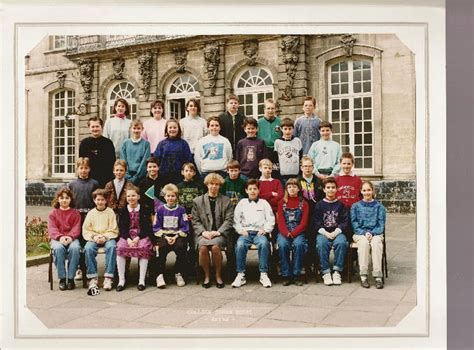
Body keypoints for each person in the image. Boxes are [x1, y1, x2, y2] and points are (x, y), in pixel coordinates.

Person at [191, 173, 234, 288]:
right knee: (203, 248)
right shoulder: (198, 201)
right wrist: (203, 232)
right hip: (203, 234)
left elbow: (229, 220)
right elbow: (195, 220)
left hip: (220, 233)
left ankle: (218, 276)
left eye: (216, 184)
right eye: (211, 184)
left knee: (215, 247)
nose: (213, 187)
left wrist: (218, 232)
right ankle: (207, 276)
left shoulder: (226, 201)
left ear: (220, 186)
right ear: (207, 185)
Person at [232, 179, 275, 288]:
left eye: (255, 189)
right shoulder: (242, 203)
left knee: (264, 244)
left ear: (259, 190)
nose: (252, 191)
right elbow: (236, 219)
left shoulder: (264, 203)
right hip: (245, 232)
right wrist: (240, 230)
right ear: (246, 190)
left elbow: (271, 219)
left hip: (259, 233)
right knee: (240, 245)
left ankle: (263, 273)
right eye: (250, 189)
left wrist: (265, 229)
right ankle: (240, 274)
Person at [116, 186, 154, 292]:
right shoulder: (123, 210)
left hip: (141, 235)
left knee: (144, 247)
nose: (131, 198)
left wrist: (138, 238)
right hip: (127, 235)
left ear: (138, 196)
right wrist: (128, 239)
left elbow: (147, 226)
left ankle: (141, 280)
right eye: (128, 196)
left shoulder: (144, 209)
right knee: (120, 247)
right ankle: (121, 280)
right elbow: (122, 227)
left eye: (133, 195)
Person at [67, 157, 99, 281]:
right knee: (78, 242)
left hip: (90, 217)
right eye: (81, 168)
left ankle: (88, 267)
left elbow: (97, 200)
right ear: (77, 169)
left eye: (86, 168)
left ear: (89, 169)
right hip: (77, 218)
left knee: (88, 243)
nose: (83, 171)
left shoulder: (94, 183)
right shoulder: (72, 184)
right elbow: (69, 202)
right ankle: (79, 268)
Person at [350, 181, 387, 289]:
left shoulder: (379, 207)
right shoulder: (355, 206)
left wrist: (372, 233)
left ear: (373, 191)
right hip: (360, 233)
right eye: (364, 190)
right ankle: (363, 275)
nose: (367, 192)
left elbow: (381, 224)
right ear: (361, 191)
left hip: (375, 233)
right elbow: (354, 223)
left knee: (376, 244)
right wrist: (364, 233)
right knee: (364, 244)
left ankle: (378, 276)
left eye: (369, 190)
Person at [153, 184, 189, 288]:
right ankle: (160, 275)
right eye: (168, 196)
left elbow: (185, 226)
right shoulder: (160, 209)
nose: (170, 198)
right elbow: (156, 226)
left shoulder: (181, 210)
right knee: (161, 249)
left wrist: (176, 237)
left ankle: (178, 273)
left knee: (181, 247)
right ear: (164, 197)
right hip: (164, 235)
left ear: (176, 197)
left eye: (173, 196)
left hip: (177, 235)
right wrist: (165, 236)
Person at [314, 177, 349, 286]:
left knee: (342, 243)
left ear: (337, 189)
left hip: (337, 232)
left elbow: (344, 222)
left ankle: (337, 271)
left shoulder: (341, 205)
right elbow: (316, 222)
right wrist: (325, 233)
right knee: (321, 243)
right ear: (324, 189)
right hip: (323, 232)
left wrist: (335, 232)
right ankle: (325, 272)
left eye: (333, 188)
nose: (330, 190)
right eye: (328, 188)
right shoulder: (319, 205)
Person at [82, 189, 118, 291]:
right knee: (88, 248)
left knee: (112, 247)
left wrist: (105, 237)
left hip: (107, 237)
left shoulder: (110, 212)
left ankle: (108, 277)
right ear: (94, 200)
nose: (100, 202)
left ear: (106, 200)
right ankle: (93, 277)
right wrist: (94, 237)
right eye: (98, 199)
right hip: (94, 237)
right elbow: (86, 229)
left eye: (102, 199)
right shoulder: (91, 213)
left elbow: (114, 229)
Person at [276, 178, 309, 286]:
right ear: (286, 189)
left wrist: (294, 233)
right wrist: (286, 233)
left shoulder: (304, 203)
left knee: (299, 245)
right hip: (284, 230)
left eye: (294, 187)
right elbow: (280, 221)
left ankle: (296, 274)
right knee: (282, 244)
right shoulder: (282, 203)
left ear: (299, 189)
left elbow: (304, 223)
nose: (292, 189)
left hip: (298, 231)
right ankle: (286, 274)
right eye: (289, 187)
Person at [47, 188, 81, 291]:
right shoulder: (53, 213)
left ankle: (70, 278)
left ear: (71, 199)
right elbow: (52, 228)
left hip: (72, 238)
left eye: (67, 198)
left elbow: (77, 227)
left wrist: (70, 236)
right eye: (62, 198)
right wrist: (60, 237)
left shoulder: (75, 213)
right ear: (58, 199)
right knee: (58, 249)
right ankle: (62, 278)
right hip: (57, 238)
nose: (64, 200)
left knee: (75, 248)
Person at [177, 162, 205, 273]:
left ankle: (193, 265)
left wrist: (194, 215)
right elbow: (177, 204)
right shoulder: (178, 186)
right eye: (186, 170)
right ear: (182, 172)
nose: (188, 173)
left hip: (195, 217)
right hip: (183, 219)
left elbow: (202, 203)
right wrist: (184, 216)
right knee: (183, 242)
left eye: (191, 171)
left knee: (194, 243)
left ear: (194, 173)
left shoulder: (198, 186)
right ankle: (183, 266)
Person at [307, 121, 343, 200]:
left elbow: (339, 162)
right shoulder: (315, 145)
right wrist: (316, 173)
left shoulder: (336, 145)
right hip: (318, 175)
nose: (325, 133)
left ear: (331, 131)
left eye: (327, 130)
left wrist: (333, 174)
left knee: (331, 197)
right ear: (319, 131)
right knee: (317, 197)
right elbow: (310, 160)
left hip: (331, 175)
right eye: (323, 131)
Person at [79, 116, 116, 188]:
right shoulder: (84, 143)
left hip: (105, 180)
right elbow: (81, 163)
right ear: (89, 128)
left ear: (101, 127)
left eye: (97, 126)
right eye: (92, 127)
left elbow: (112, 162)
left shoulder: (108, 143)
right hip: (88, 180)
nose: (95, 129)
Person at [153, 119, 193, 185]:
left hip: (179, 176)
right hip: (164, 176)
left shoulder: (183, 144)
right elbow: (156, 160)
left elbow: (188, 160)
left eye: (175, 127)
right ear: (166, 129)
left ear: (178, 129)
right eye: (170, 127)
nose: (172, 129)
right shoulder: (162, 144)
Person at [194, 116, 233, 180]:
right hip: (206, 173)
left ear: (220, 127)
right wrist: (202, 170)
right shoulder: (202, 141)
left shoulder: (225, 141)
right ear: (208, 127)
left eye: (216, 125)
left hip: (222, 173)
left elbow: (229, 157)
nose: (214, 127)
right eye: (212, 125)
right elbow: (197, 158)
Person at [335, 152, 363, 240]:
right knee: (343, 236)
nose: (346, 166)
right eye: (344, 163)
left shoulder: (357, 179)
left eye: (349, 163)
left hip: (353, 212)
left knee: (353, 235)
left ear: (352, 164)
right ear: (340, 164)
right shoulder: (336, 179)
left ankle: (353, 253)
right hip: (340, 213)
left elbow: (361, 197)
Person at [120, 119, 151, 185]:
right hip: (127, 177)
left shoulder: (146, 144)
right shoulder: (125, 143)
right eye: (134, 128)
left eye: (138, 128)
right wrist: (127, 175)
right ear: (130, 129)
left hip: (140, 177)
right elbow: (123, 161)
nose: (136, 130)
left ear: (142, 129)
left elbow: (145, 162)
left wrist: (136, 177)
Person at [274, 118, 303, 184]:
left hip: (296, 174)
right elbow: (275, 159)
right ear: (281, 129)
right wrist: (277, 173)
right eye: (285, 129)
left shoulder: (297, 140)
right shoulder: (278, 142)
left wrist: (301, 172)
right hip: (283, 174)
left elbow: (301, 156)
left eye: (290, 129)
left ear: (293, 129)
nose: (287, 131)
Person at [257, 98, 282, 172]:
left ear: (275, 109)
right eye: (268, 108)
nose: (270, 110)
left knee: (276, 172)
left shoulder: (280, 122)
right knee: (265, 172)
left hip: (277, 151)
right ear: (264, 109)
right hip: (264, 151)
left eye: (272, 108)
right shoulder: (259, 123)